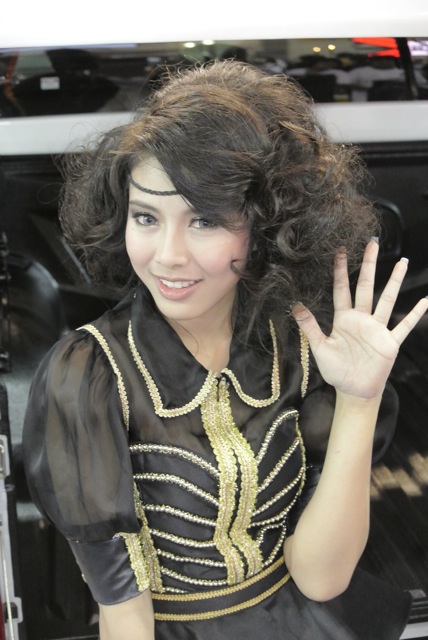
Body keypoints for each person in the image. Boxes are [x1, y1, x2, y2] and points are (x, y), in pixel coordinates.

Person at [22, 60, 428, 640]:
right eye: (146, 217)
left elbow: (321, 578)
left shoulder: (302, 349)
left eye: (204, 221)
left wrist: (359, 400)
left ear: (264, 226)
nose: (168, 255)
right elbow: (123, 613)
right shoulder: (89, 376)